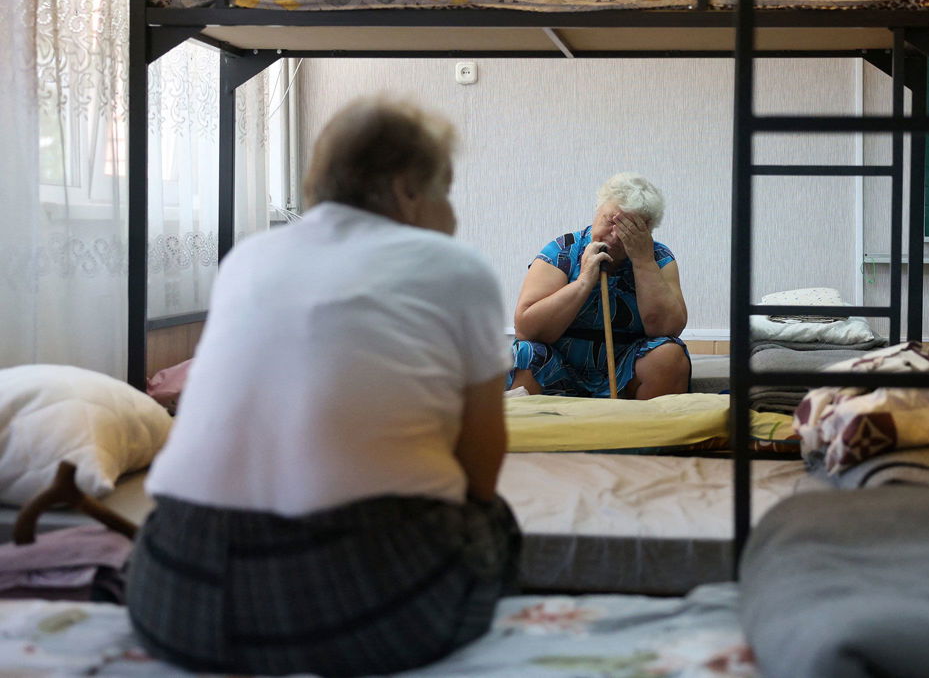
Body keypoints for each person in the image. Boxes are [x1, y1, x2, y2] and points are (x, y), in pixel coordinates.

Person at [126, 96, 520, 676]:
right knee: (496, 524)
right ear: (408, 189)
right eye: (446, 191)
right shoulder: (455, 267)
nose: (451, 213)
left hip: (172, 594)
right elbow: (482, 469)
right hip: (355, 607)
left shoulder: (249, 258)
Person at [509, 172, 690, 399]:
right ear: (597, 211)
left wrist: (643, 262)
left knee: (669, 354)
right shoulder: (561, 251)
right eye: (610, 221)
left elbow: (668, 329)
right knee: (526, 354)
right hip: (559, 365)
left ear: (648, 230)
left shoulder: (659, 258)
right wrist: (584, 281)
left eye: (629, 229)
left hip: (626, 367)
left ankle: (644, 432)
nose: (615, 237)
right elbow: (526, 329)